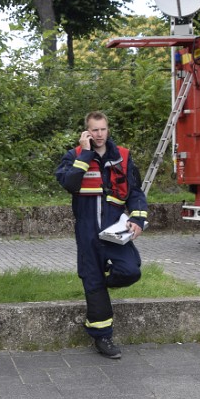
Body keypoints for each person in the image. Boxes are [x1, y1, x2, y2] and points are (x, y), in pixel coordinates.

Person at [55, 111, 147, 359]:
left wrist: (138, 218)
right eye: (94, 130)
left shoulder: (123, 157)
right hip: (87, 233)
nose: (98, 134)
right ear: (86, 131)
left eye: (102, 129)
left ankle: (101, 286)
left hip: (114, 231)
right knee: (91, 280)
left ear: (108, 129)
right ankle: (102, 337)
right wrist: (85, 154)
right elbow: (69, 183)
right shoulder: (74, 156)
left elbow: (135, 192)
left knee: (131, 270)